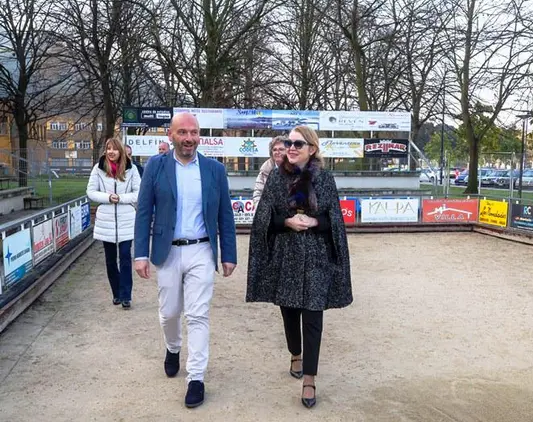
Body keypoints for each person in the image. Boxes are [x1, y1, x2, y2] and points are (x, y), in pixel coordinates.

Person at [133, 113, 237, 409]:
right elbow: (144, 211)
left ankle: (196, 378)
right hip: (167, 251)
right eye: (182, 132)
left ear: (199, 136)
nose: (189, 138)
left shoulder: (215, 170)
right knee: (169, 313)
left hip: (202, 250)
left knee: (198, 315)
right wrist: (140, 253)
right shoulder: (155, 166)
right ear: (171, 135)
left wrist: (228, 254)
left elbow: (225, 215)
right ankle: (173, 347)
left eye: (193, 132)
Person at [246, 125, 352, 409]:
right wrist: (287, 222)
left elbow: (335, 221)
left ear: (312, 149)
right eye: (288, 143)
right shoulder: (276, 178)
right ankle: (295, 352)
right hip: (287, 256)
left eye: (297, 144)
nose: (290, 148)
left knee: (313, 315)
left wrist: (315, 221)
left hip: (317, 257)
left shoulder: (325, 179)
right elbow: (264, 219)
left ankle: (309, 379)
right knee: (290, 311)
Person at [86, 137, 141, 309]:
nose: (111, 152)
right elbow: (91, 192)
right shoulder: (99, 168)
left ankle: (126, 295)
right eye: (108, 148)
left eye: (114, 149)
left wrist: (121, 198)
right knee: (110, 259)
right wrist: (108, 197)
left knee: (125, 256)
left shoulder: (131, 169)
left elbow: (138, 192)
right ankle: (116, 292)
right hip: (106, 220)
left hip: (126, 219)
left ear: (120, 151)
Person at [252, 135, 287, 208]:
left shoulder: (296, 169)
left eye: (281, 149)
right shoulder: (265, 170)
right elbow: (257, 194)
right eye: (274, 150)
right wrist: (264, 211)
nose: (277, 152)